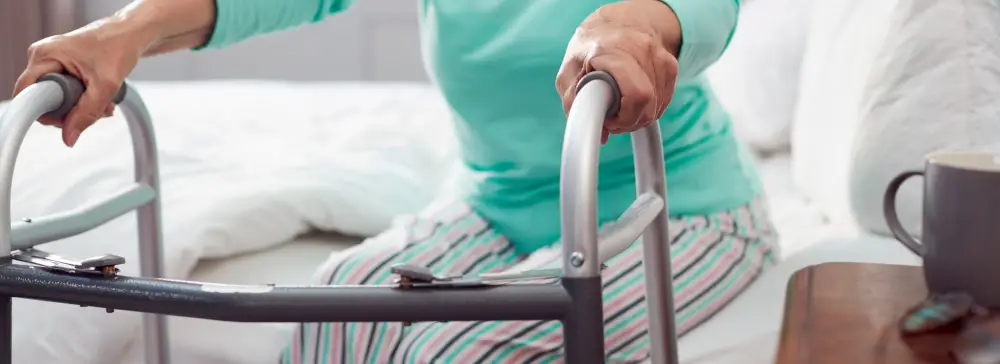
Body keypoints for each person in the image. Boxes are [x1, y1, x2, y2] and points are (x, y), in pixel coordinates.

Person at [12, 0, 776, 362]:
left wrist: (631, 26)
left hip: (680, 211)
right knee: (333, 311)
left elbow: (703, 9)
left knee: (460, 355)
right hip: (498, 202)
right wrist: (121, 33)